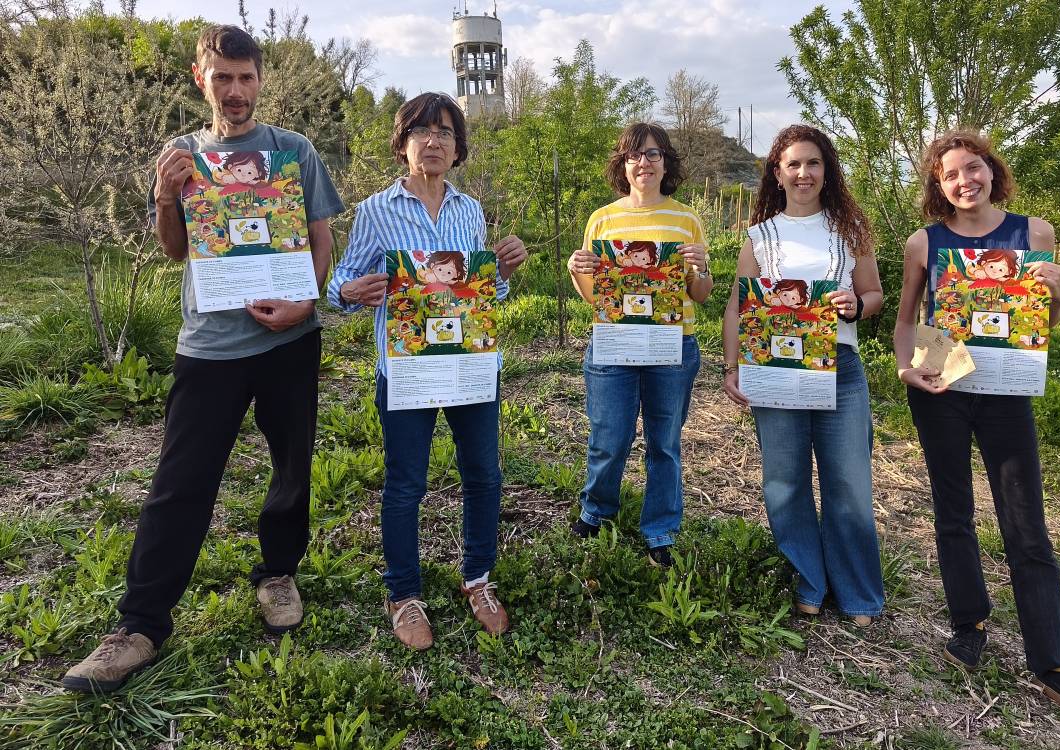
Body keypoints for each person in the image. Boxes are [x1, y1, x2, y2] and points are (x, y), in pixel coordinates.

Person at [64, 25, 344, 693]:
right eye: (224, 78)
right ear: (201, 78)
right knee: (179, 484)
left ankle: (277, 574)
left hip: (288, 342)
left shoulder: (292, 151)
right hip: (209, 346)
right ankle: (139, 625)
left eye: (246, 77)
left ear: (260, 79)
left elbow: (319, 236)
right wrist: (165, 195)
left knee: (291, 466)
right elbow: (172, 249)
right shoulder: (183, 154)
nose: (237, 91)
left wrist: (305, 305)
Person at [893, 129, 1060, 732]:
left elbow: (1040, 326)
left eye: (974, 169)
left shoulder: (1033, 233)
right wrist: (905, 367)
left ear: (992, 171)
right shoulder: (926, 242)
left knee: (1025, 524)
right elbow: (907, 319)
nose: (965, 181)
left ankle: (1058, 667)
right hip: (942, 381)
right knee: (953, 513)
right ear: (938, 187)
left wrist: (1059, 294)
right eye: (951, 175)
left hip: (1006, 387)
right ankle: (969, 626)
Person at [327, 92, 527, 651]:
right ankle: (403, 592)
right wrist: (348, 291)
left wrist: (503, 271)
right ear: (403, 144)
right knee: (406, 483)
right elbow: (342, 281)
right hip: (408, 370)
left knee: (484, 475)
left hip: (469, 369)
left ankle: (478, 578)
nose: (434, 141)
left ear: (458, 147)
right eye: (422, 131)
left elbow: (484, 294)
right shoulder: (375, 211)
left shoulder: (469, 211)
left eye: (444, 132)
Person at [721, 125, 885, 627]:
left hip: (841, 369)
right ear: (778, 172)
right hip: (776, 370)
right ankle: (809, 580)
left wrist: (854, 306)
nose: (803, 173)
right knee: (786, 483)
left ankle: (857, 592)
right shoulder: (760, 236)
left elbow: (874, 296)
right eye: (793, 164)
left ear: (826, 170)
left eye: (813, 163)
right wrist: (733, 367)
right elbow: (737, 305)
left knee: (849, 483)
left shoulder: (851, 229)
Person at [567, 123, 712, 566]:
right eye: (634, 155)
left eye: (652, 154)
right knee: (609, 435)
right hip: (615, 341)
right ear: (623, 164)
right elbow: (597, 296)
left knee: (664, 442)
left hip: (672, 345)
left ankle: (660, 529)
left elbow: (699, 295)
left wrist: (702, 269)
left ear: (665, 162)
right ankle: (597, 509)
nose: (643, 162)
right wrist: (578, 269)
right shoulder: (603, 219)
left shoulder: (686, 220)